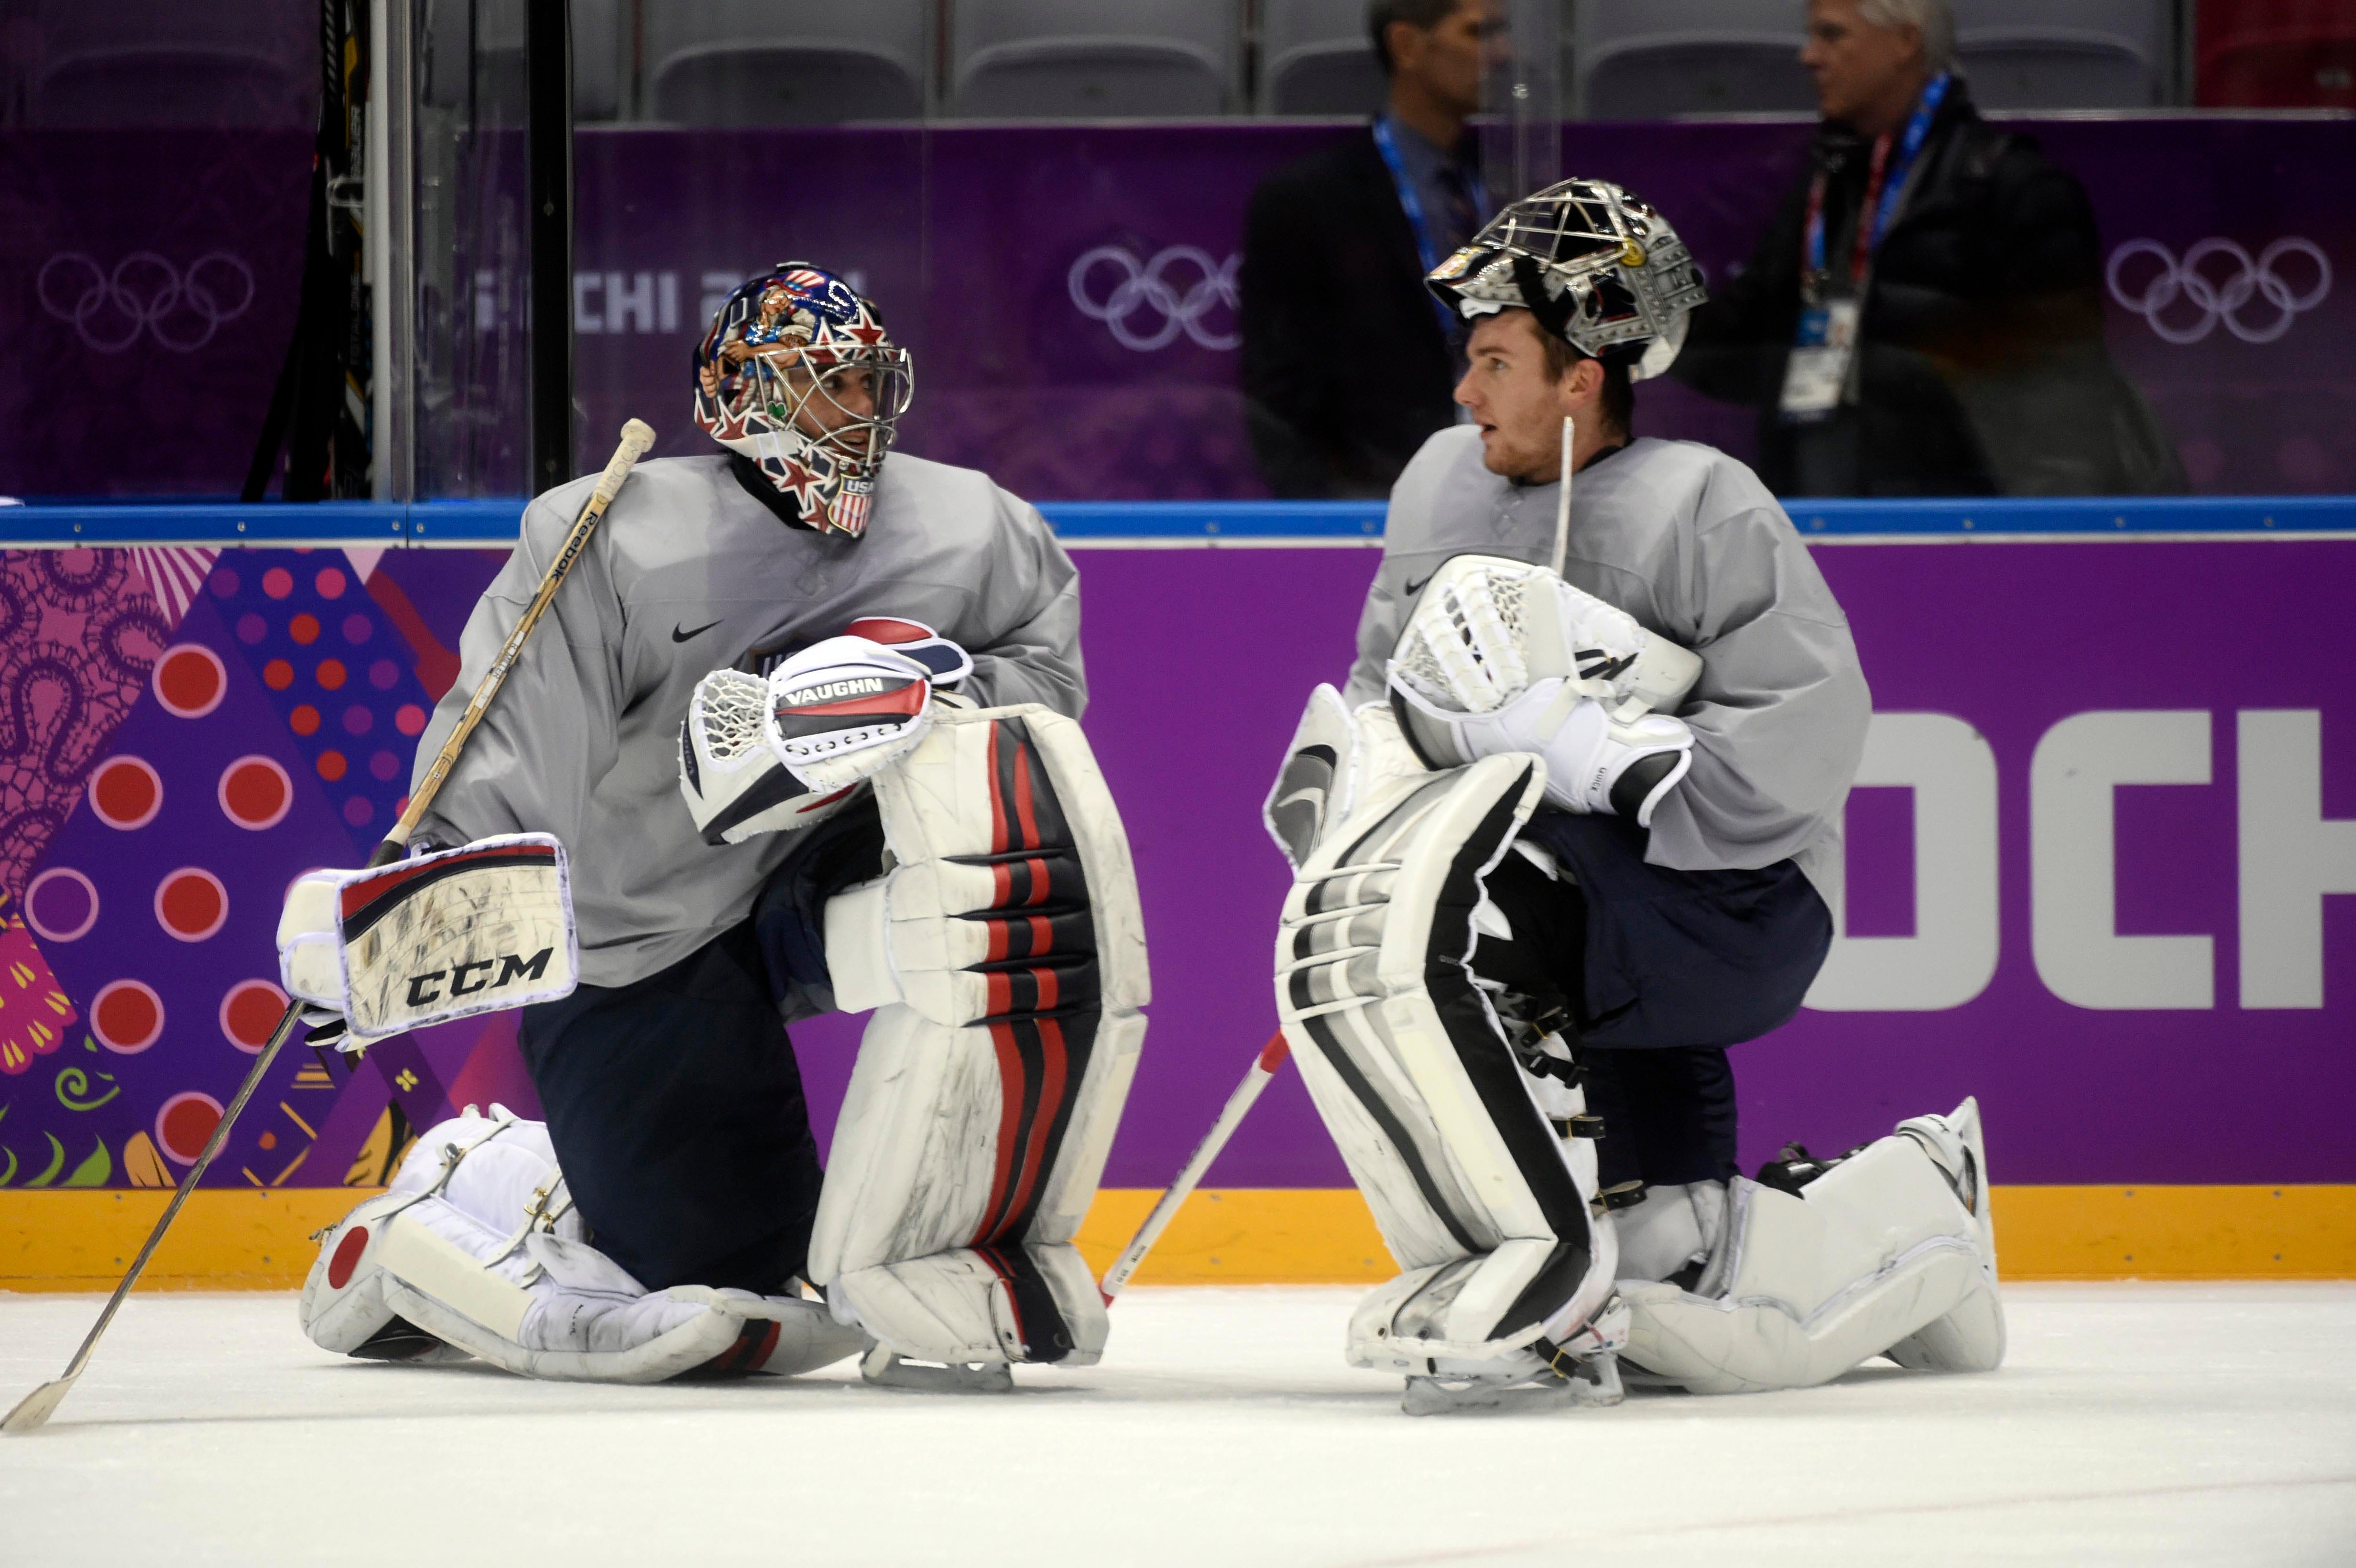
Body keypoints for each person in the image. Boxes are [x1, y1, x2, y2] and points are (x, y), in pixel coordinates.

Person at [279, 263, 1148, 1390]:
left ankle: (948, 1236)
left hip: (833, 865)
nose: (859, 413)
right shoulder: (617, 536)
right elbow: (507, 753)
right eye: (825, 385)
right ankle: (474, 1185)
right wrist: (398, 930)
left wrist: (920, 692)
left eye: (869, 381)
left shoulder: (974, 525)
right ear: (743, 397)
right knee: (724, 1258)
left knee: (1008, 863)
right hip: (647, 920)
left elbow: (1041, 672)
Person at [1263, 180, 2004, 1413]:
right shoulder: (1438, 486)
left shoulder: (1704, 504)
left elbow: (1810, 733)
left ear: (1583, 378)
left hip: (1737, 902)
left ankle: (1890, 1201)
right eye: (1468, 358)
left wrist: (1604, 755)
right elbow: (1380, 680)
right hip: (1556, 881)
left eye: (1496, 361)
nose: (1465, 390)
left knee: (1496, 915)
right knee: (1668, 1265)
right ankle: (1758, 1217)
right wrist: (1357, 785)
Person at [1673, 0, 2183, 497]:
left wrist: (2040, 555)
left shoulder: (2015, 192)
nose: (1808, 56)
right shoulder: (1824, 188)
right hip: (1819, 518)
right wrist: (1639, 316)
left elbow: (2060, 422)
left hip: (1958, 535)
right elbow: (1730, 341)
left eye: (1831, 34)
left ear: (1903, 42)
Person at [1239, 0, 1501, 497]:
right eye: (1477, 33)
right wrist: (1332, 524)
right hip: (1376, 500)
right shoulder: (1308, 200)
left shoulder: (1513, 182)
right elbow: (1280, 397)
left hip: (1519, 488)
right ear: (1406, 45)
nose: (1501, 52)